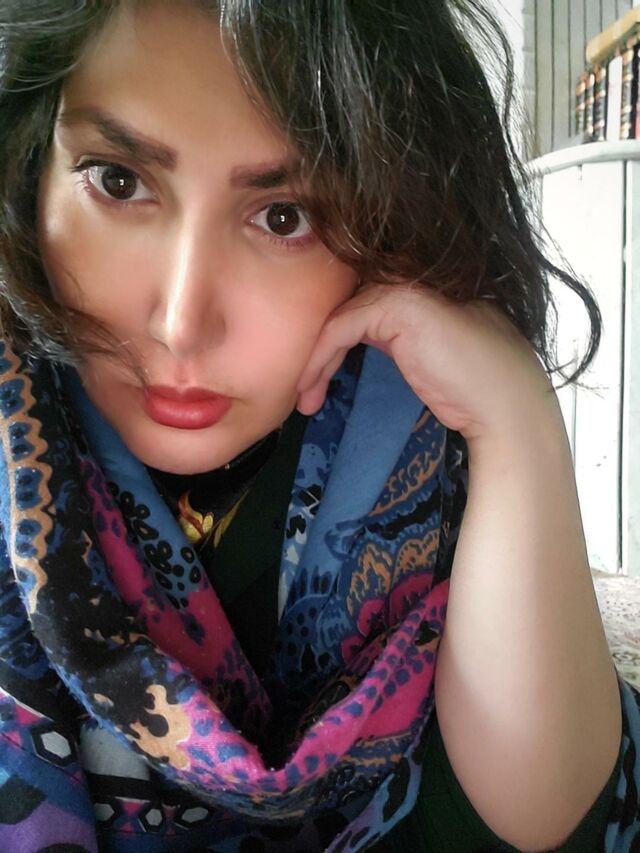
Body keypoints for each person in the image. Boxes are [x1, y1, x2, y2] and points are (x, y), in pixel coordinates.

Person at [0, 1, 637, 850]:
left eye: (284, 216)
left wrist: (519, 425)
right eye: (119, 182)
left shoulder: (418, 438)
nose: (182, 322)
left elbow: (544, 826)